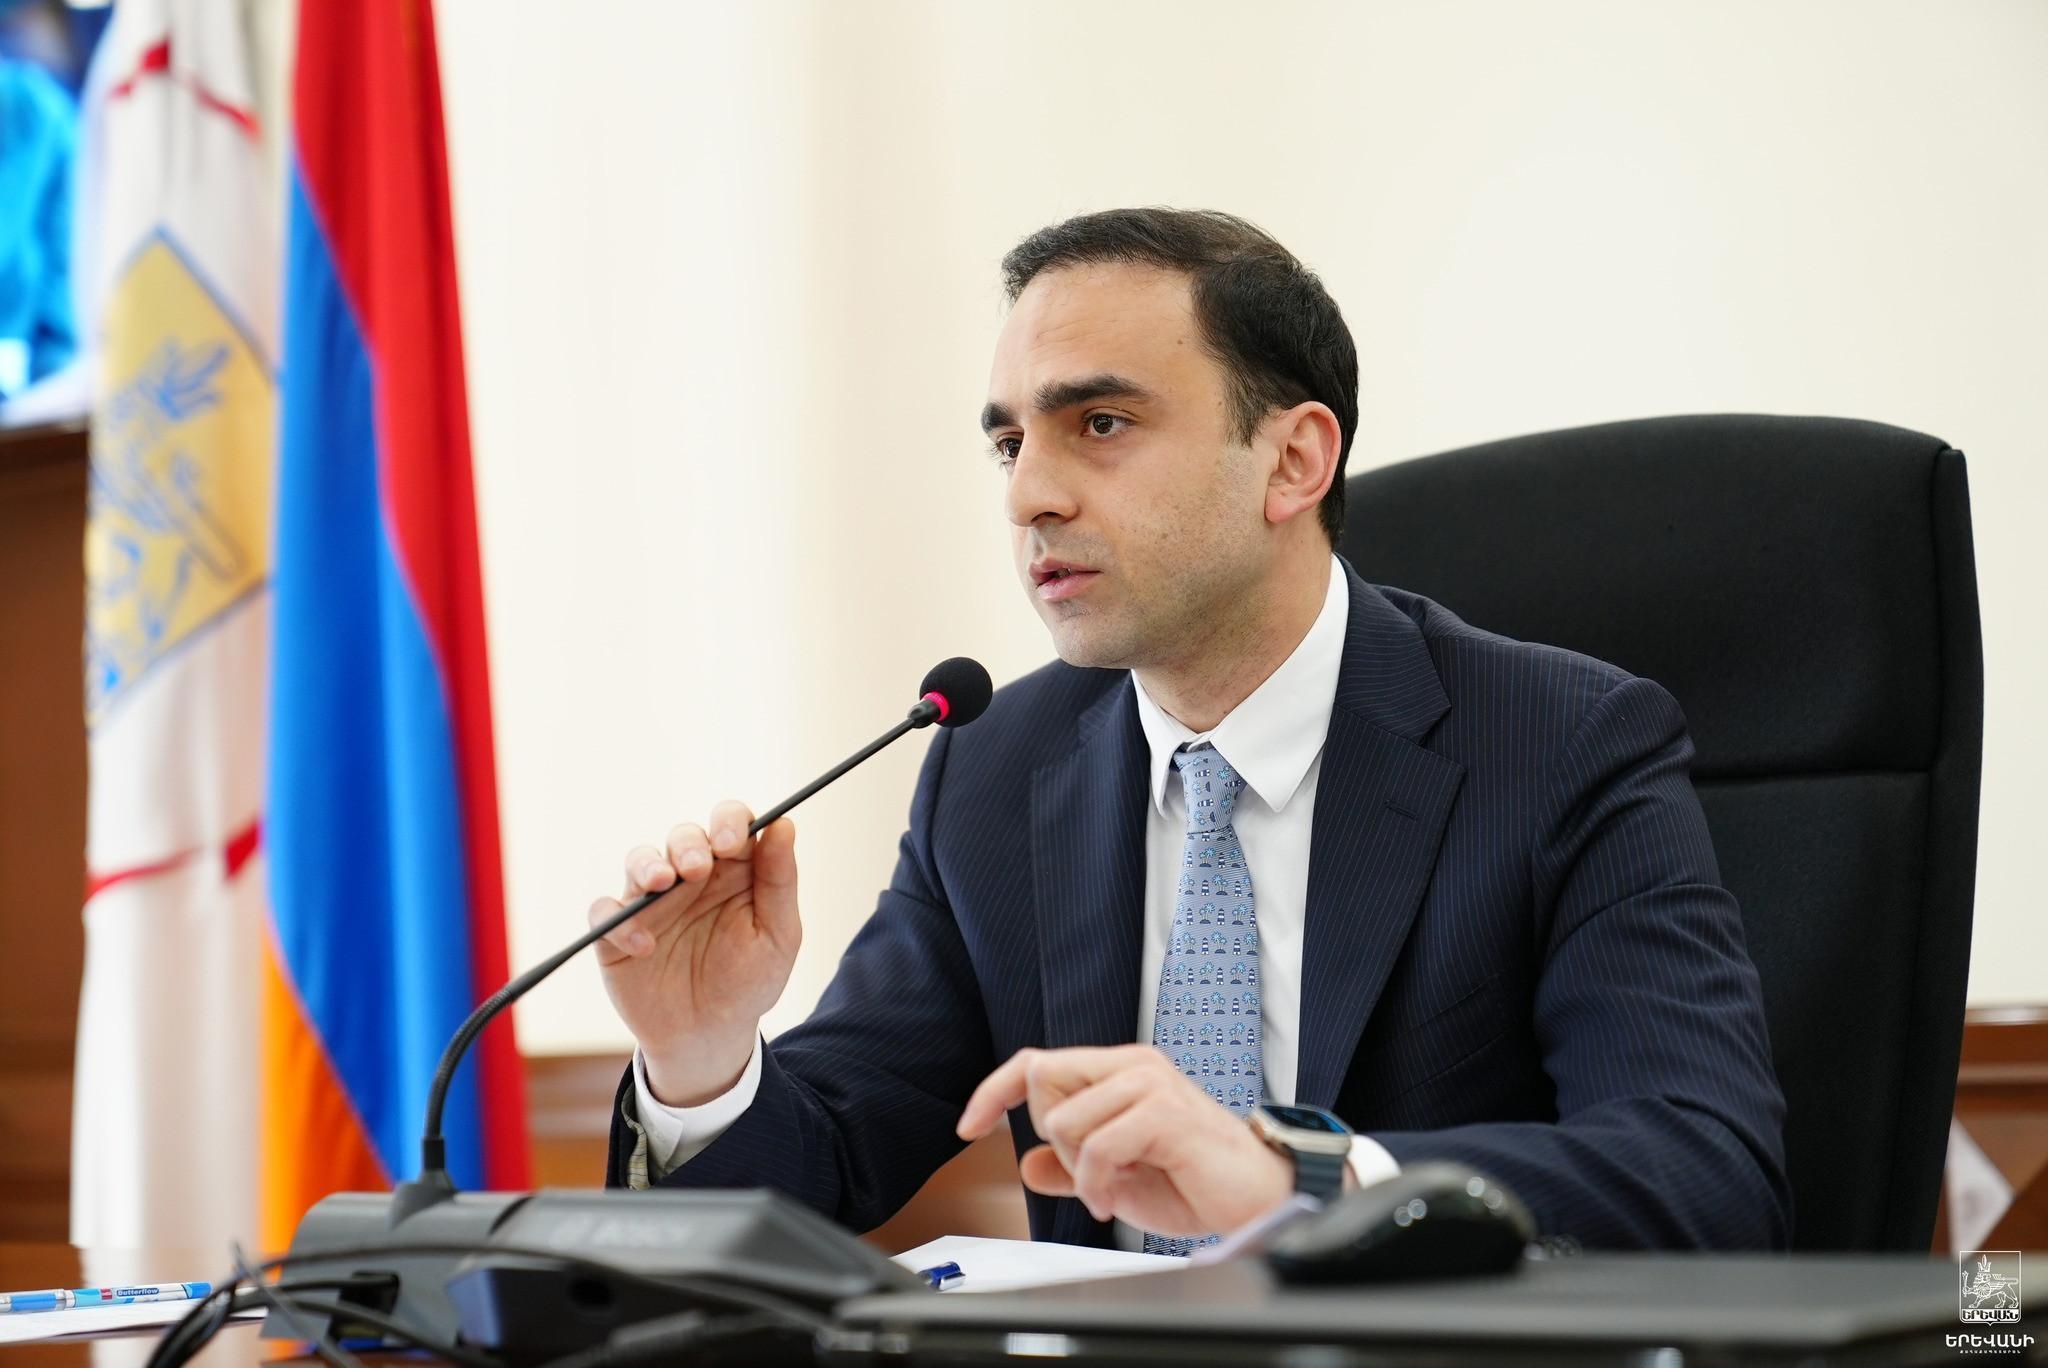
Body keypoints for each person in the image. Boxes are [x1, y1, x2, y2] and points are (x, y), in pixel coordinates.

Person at [593, 208, 1790, 1253]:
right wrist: (702, 1063)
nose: (1028, 495)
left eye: (1100, 423)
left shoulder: (1564, 745)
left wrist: (1299, 1181)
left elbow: (1703, 1175)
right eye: (1009, 443)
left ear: (1292, 460)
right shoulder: (993, 770)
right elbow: (826, 1159)